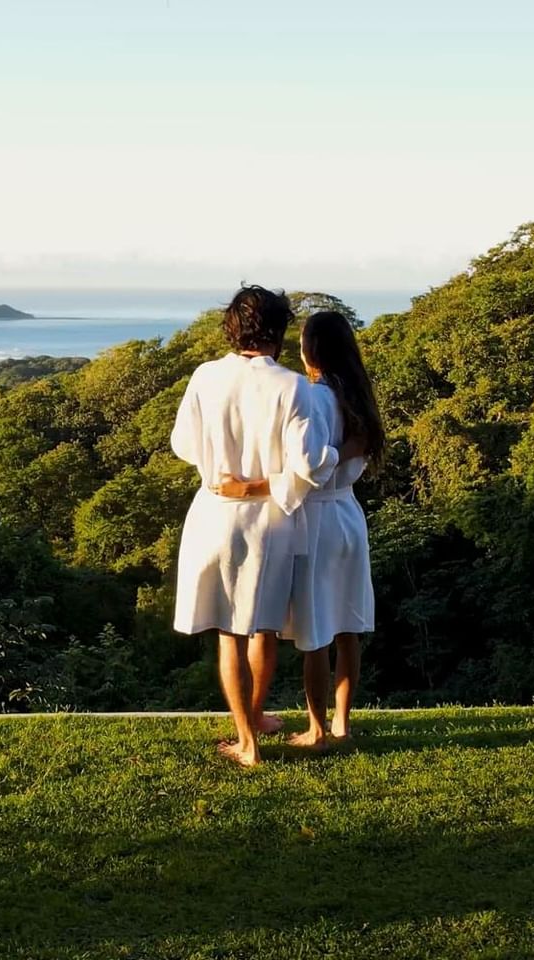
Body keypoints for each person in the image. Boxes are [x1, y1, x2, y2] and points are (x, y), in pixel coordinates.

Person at [170, 285, 340, 767]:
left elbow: (183, 443)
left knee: (229, 632)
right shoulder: (293, 388)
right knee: (262, 628)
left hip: (214, 514)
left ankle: (247, 737)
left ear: (231, 327)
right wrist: (328, 456)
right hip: (269, 522)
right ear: (279, 332)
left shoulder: (205, 376)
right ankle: (257, 719)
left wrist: (222, 466)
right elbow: (310, 465)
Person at [220, 310, 384, 749]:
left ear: (310, 351)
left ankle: (315, 728)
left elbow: (305, 469)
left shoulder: (311, 398)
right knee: (347, 627)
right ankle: (343, 723)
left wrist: (247, 487)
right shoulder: (360, 398)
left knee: (315, 634)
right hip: (349, 516)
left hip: (315, 519)